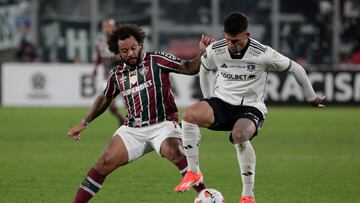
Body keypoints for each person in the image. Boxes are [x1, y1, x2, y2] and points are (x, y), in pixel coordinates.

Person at [174, 12, 325, 203]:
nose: (231, 45)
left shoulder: (262, 53)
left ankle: (247, 196)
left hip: (250, 107)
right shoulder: (217, 49)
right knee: (189, 115)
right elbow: (204, 67)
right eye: (228, 39)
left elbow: (296, 69)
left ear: (247, 35)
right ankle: (193, 172)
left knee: (240, 135)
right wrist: (207, 98)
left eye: (236, 41)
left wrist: (311, 98)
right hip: (221, 103)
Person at [67, 23, 215, 203]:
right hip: (133, 130)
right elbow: (105, 98)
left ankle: (208, 197)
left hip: (163, 125)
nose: (130, 53)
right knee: (103, 163)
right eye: (124, 50)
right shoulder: (117, 74)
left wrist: (204, 53)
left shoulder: (157, 60)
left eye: (133, 48)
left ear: (141, 46)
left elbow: (189, 68)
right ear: (117, 52)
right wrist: (85, 122)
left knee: (175, 152)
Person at [93, 18, 126, 126]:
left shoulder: (120, 40)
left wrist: (119, 57)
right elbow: (99, 57)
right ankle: (121, 119)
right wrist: (95, 68)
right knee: (109, 105)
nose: (106, 29)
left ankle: (135, 122)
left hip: (123, 76)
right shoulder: (100, 42)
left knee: (129, 101)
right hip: (108, 77)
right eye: (104, 26)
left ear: (113, 27)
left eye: (108, 26)